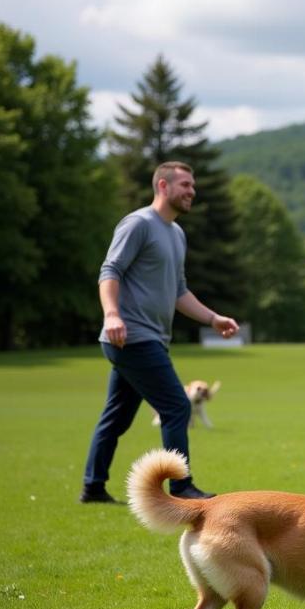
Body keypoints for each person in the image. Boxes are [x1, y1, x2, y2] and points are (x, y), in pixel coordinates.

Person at [80, 161, 240, 503]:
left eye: (193, 186)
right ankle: (180, 486)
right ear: (163, 187)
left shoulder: (176, 234)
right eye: (185, 185)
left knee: (117, 417)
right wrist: (112, 314)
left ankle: (93, 487)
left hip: (147, 337)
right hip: (131, 335)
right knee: (176, 406)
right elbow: (110, 270)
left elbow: (179, 291)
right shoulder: (138, 224)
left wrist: (212, 318)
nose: (191, 191)